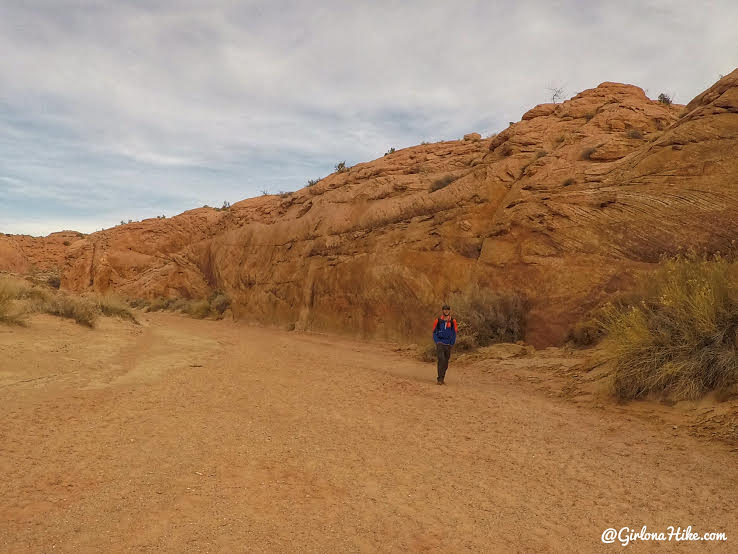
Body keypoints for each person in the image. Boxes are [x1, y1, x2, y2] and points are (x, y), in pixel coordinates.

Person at [432, 304, 457, 385]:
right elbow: (434, 332)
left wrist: (451, 343)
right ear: (442, 311)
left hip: (448, 344)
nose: (446, 311)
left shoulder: (453, 321)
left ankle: (442, 378)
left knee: (446, 363)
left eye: (447, 309)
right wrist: (437, 341)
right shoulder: (438, 320)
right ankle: (439, 379)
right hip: (440, 343)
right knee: (441, 359)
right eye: (445, 309)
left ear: (449, 311)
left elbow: (454, 333)